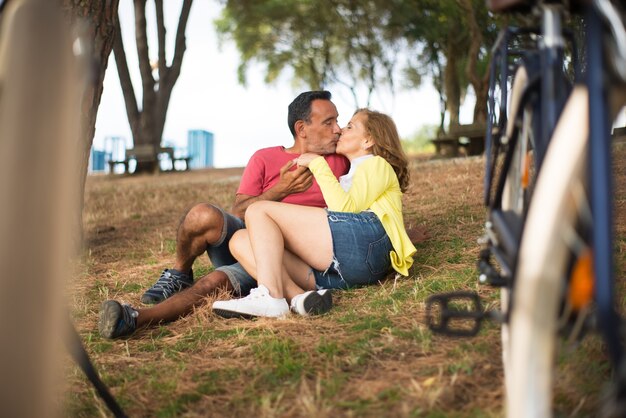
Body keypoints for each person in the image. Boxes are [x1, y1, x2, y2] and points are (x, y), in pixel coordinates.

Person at [98, 91, 349, 339]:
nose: (337, 129)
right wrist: (282, 189)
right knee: (201, 215)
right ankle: (179, 274)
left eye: (338, 121)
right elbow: (240, 211)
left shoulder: (341, 161)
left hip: (284, 258)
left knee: (213, 283)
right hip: (244, 236)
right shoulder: (264, 157)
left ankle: (134, 318)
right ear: (301, 128)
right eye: (329, 122)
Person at [211, 109, 417, 319]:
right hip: (344, 269)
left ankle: (271, 296)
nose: (340, 131)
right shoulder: (351, 173)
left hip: (367, 245)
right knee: (239, 240)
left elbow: (344, 211)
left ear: (368, 140)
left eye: (349, 126)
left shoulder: (376, 163)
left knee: (257, 210)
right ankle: (300, 298)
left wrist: (318, 163)